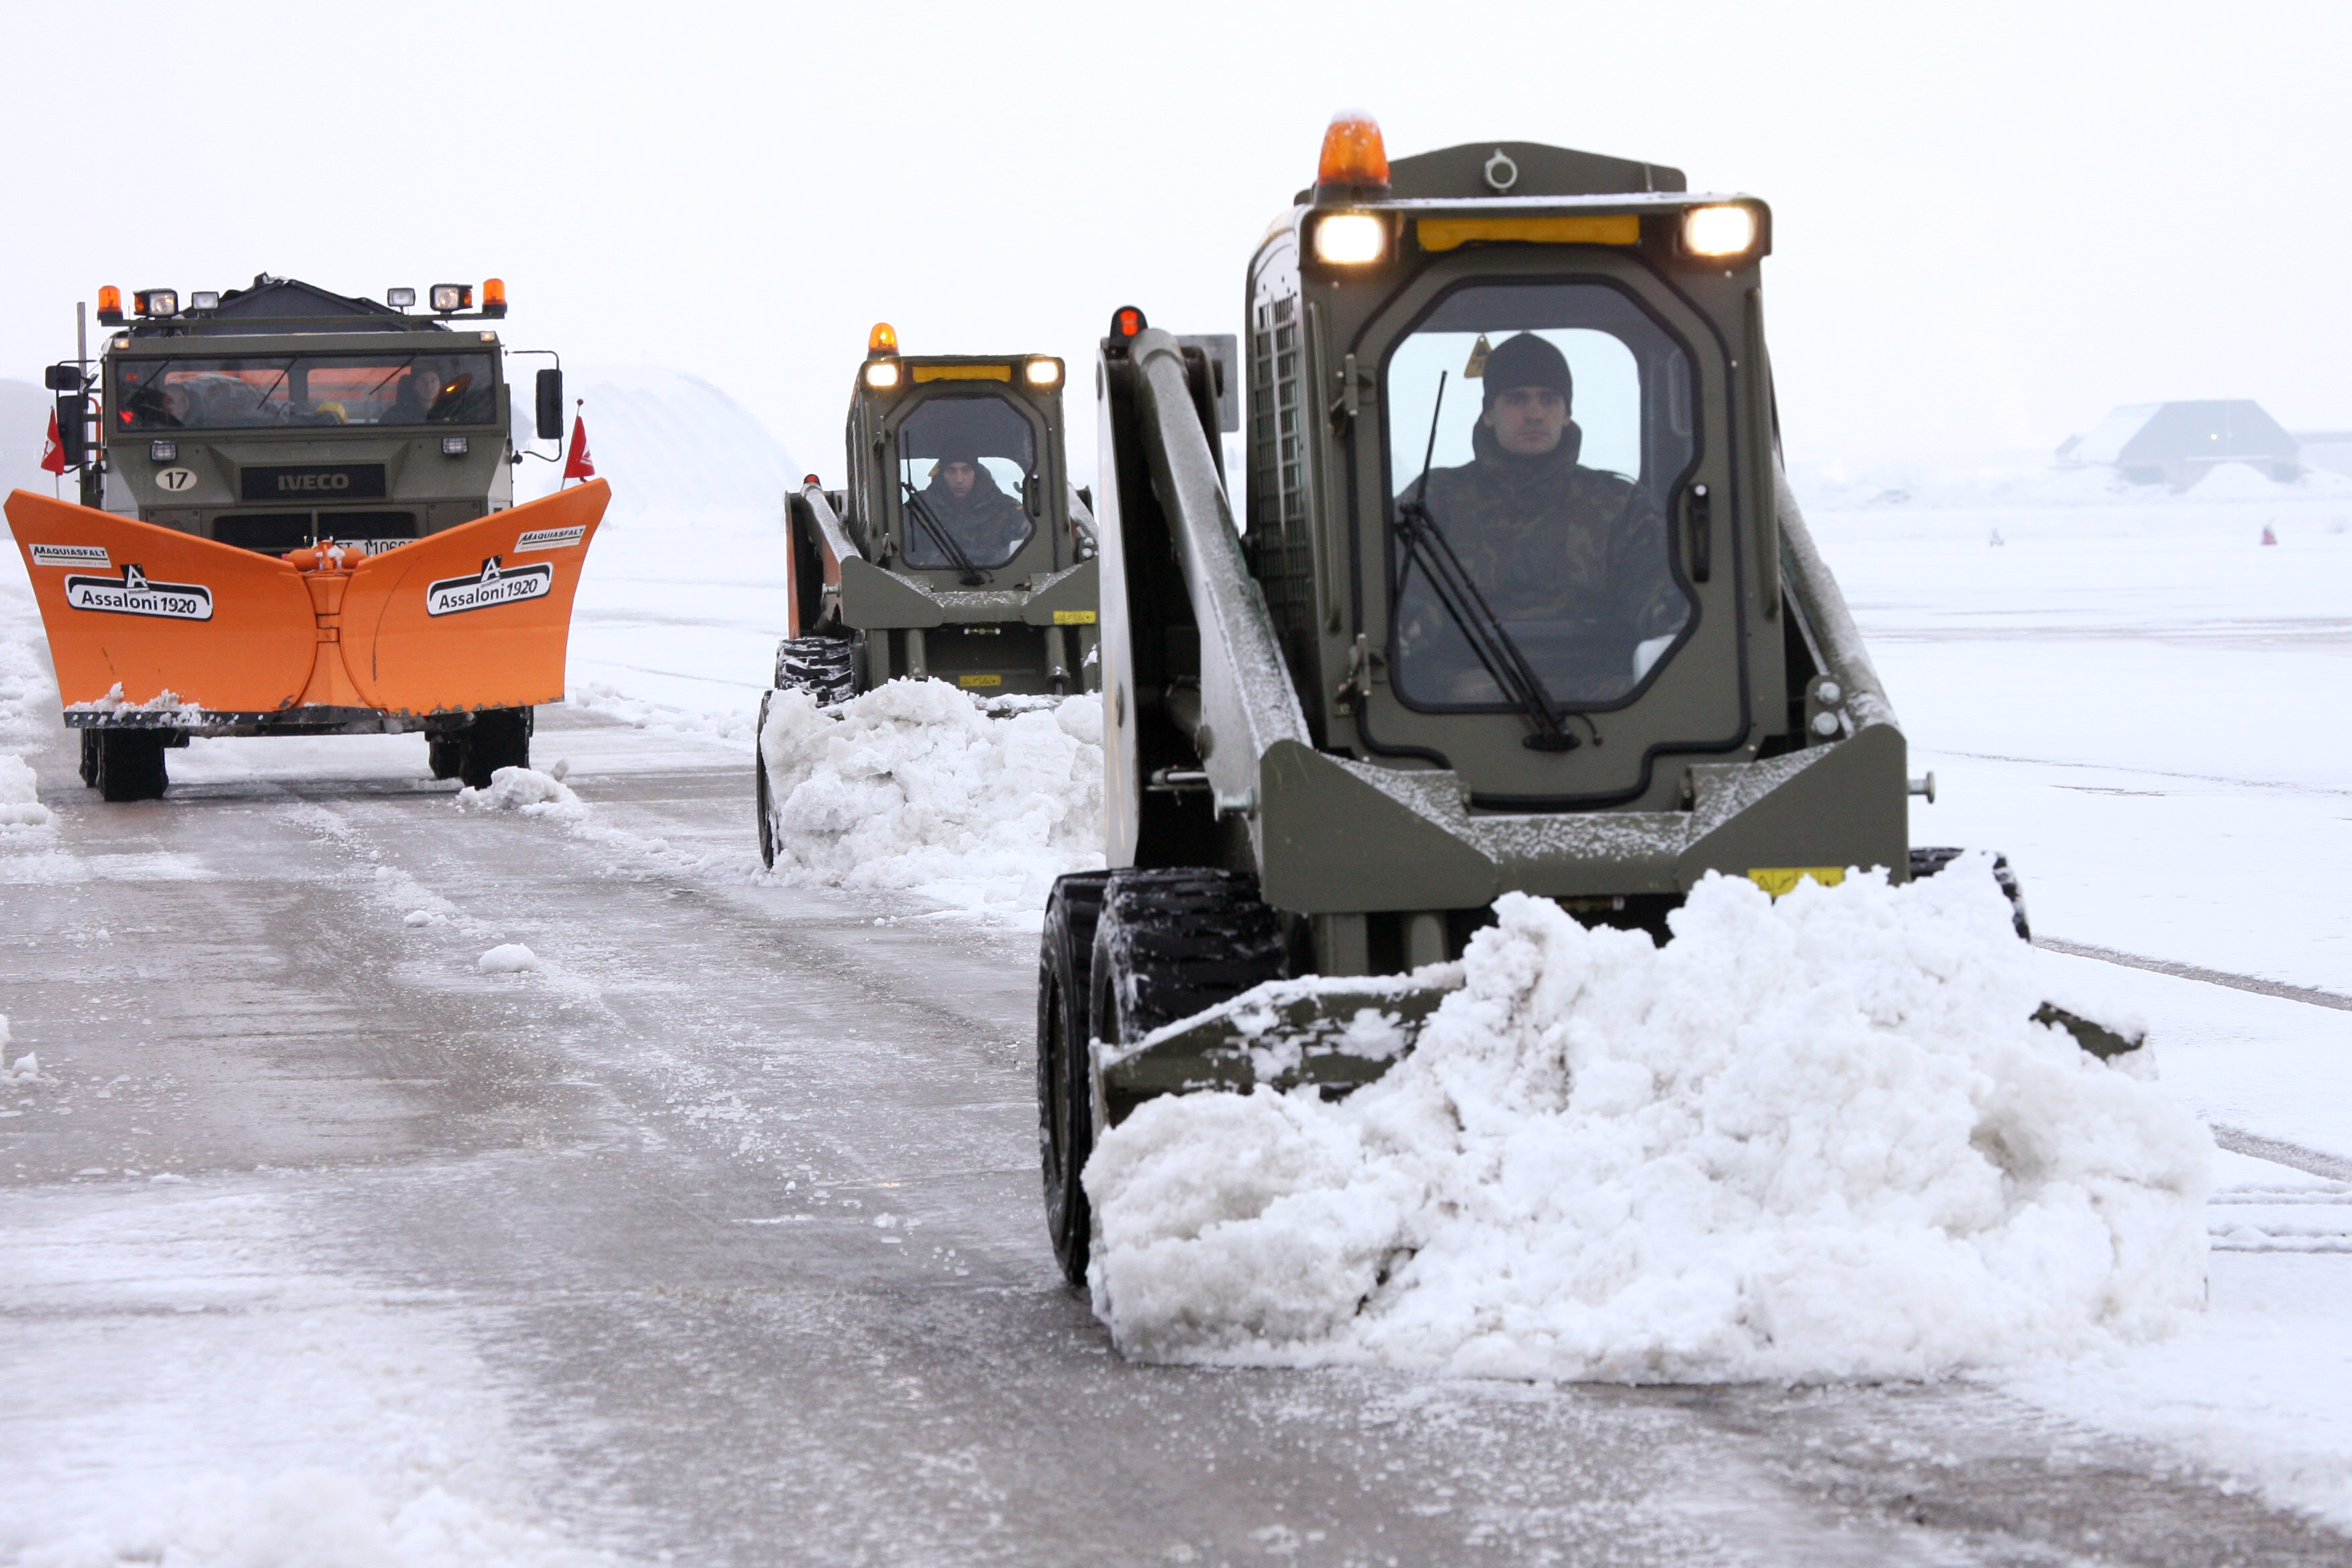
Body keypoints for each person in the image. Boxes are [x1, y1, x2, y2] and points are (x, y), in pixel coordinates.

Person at [1397, 331, 1683, 700]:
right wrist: (1409, 631)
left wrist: (1674, 616)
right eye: (1516, 399)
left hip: (1610, 698)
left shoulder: (1619, 505)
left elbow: (1654, 589)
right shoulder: (1436, 499)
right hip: (1466, 698)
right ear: (1489, 413)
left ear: (1567, 414)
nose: (1534, 414)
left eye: (1549, 399)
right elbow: (1408, 595)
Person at [910, 445, 1030, 567]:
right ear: (942, 474)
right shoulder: (918, 508)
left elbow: (1028, 553)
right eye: (951, 471)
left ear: (976, 474)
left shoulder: (1008, 509)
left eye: (966, 471)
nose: (959, 479)